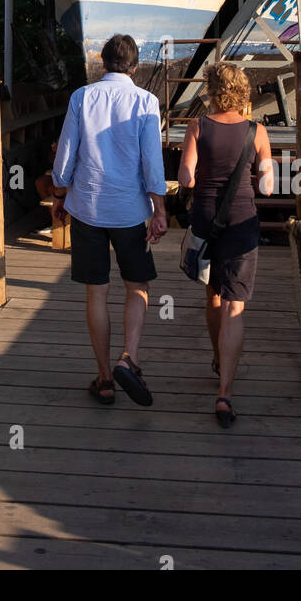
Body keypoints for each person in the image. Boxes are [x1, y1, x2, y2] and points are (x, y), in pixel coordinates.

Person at [51, 33, 168, 406]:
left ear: (102, 63)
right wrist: (159, 209)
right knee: (137, 286)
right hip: (131, 211)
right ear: (134, 67)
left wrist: (59, 193)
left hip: (87, 208)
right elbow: (152, 162)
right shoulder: (146, 101)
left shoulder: (81, 97)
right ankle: (128, 358)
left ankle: (104, 379)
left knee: (96, 293)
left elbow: (66, 154)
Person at [177, 62, 273, 427]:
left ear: (211, 91)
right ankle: (225, 392)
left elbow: (186, 179)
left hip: (205, 219)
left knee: (213, 295)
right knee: (235, 305)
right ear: (243, 92)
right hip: (241, 221)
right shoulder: (257, 131)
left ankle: (218, 357)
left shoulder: (197, 126)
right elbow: (267, 186)